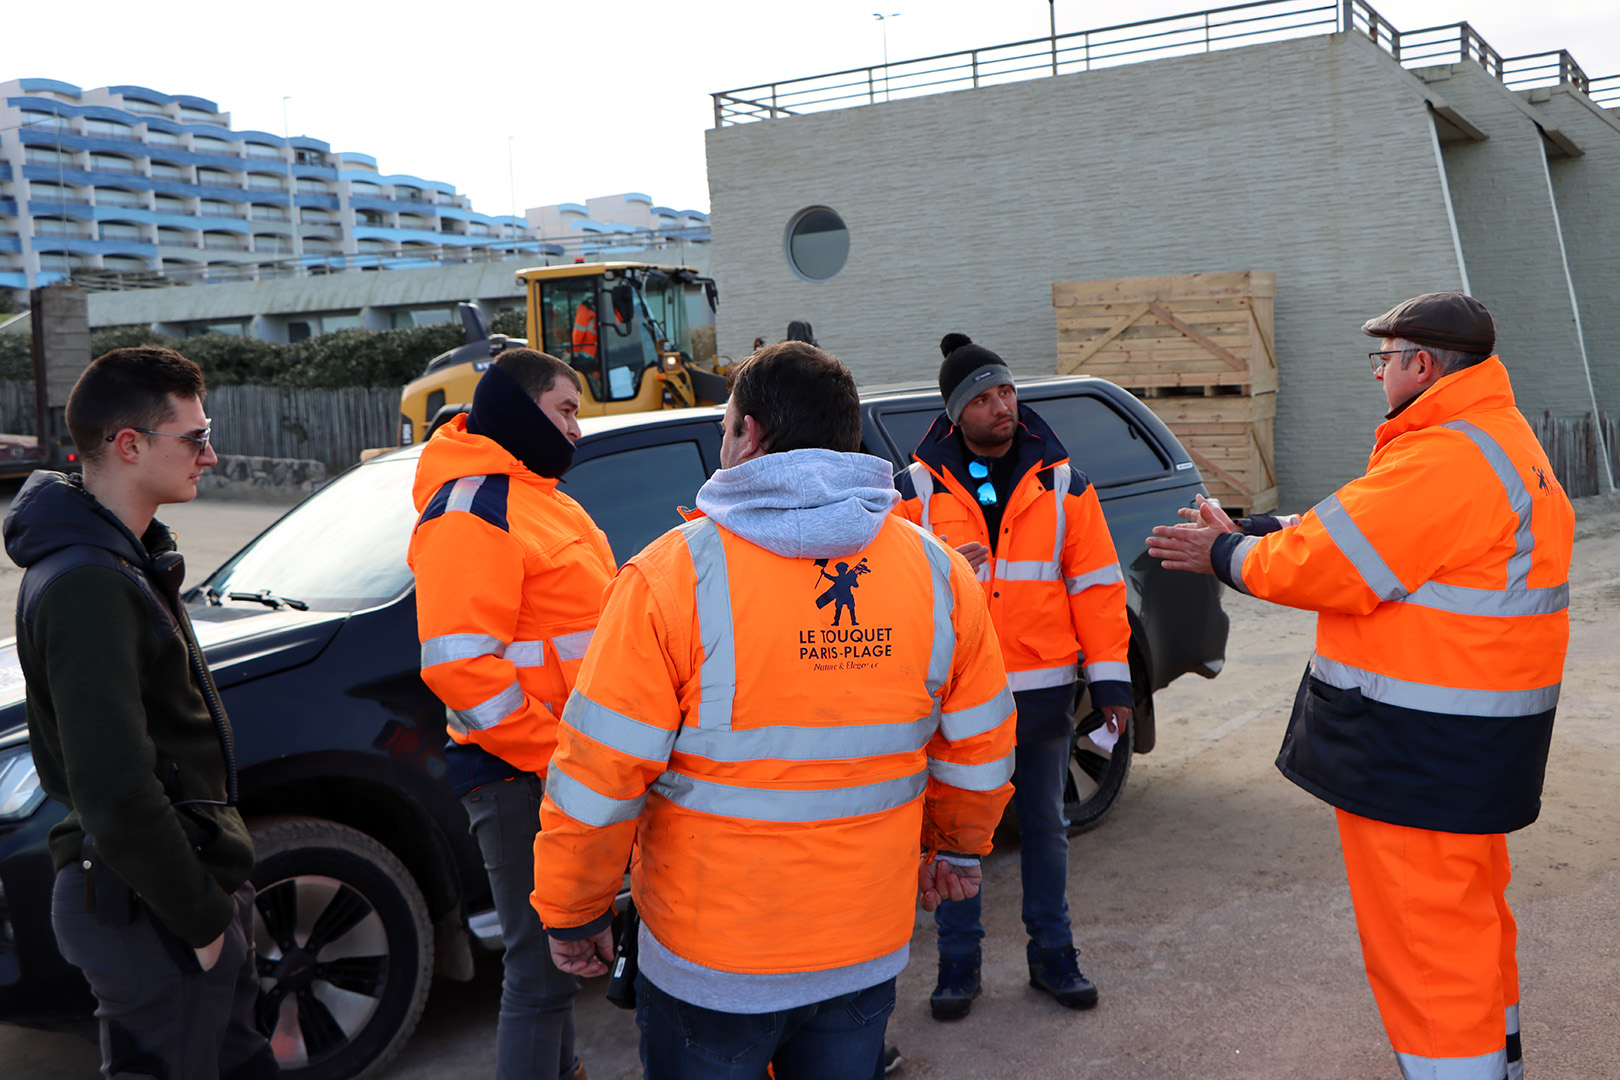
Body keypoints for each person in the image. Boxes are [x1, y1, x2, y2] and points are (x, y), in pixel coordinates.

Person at [530, 340, 1017, 1079]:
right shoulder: (937, 572)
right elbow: (980, 747)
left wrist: (574, 908)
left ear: (750, 435)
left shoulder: (672, 575)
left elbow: (599, 775)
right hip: (862, 947)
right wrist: (955, 846)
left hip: (712, 962)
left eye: (727, 427)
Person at [1145, 292, 1573, 1080]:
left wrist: (1223, 555)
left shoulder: (1445, 454)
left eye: (1383, 361)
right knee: (1470, 934)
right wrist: (1261, 532)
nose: (1378, 376)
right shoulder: (1496, 440)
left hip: (1418, 759)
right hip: (1470, 752)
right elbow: (1371, 535)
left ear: (1421, 364)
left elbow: (1332, 564)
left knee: (1423, 955)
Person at [3, 347, 278, 1080]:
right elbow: (113, 784)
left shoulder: (121, 558)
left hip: (169, 891)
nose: (211, 455)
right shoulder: (89, 581)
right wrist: (201, 920)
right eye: (194, 438)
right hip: (147, 903)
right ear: (129, 445)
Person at [894, 332, 1132, 1020]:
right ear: (956, 411)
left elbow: (1096, 587)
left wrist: (1112, 685)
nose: (1003, 406)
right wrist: (940, 570)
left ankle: (1054, 957)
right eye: (985, 397)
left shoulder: (1063, 482)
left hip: (1045, 692)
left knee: (1046, 828)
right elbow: (892, 587)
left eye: (1007, 392)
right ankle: (958, 968)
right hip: (957, 700)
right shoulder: (911, 491)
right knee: (956, 836)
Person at [408, 348, 615, 1080]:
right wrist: (562, 756)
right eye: (565, 411)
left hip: (560, 764)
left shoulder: (538, 495)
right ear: (521, 410)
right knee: (538, 969)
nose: (576, 430)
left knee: (552, 968)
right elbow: (461, 669)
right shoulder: (474, 509)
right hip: (523, 772)